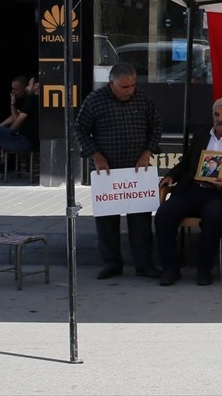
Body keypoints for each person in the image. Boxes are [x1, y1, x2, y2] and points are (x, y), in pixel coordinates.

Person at [74, 62, 163, 280]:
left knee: (141, 220)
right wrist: (96, 155)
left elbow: (156, 127)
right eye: (125, 87)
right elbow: (80, 129)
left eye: (132, 85)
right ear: (111, 83)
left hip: (137, 170)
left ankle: (144, 265)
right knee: (107, 220)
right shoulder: (95, 100)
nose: (130, 90)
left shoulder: (143, 99)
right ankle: (112, 264)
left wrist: (147, 152)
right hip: (108, 171)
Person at [155, 98, 222, 287]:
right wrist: (170, 176)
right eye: (217, 115)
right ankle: (170, 269)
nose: (220, 119)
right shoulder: (201, 137)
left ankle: (204, 269)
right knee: (163, 215)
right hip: (190, 190)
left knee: (214, 218)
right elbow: (185, 163)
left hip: (217, 195)